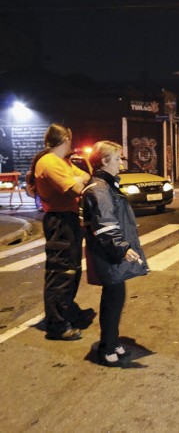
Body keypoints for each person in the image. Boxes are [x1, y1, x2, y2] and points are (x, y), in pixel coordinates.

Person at [81, 141, 149, 367]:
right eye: (118, 158)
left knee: (116, 297)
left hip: (111, 252)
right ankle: (106, 347)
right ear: (104, 161)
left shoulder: (106, 185)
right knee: (113, 298)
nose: (121, 162)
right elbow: (105, 224)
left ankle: (111, 340)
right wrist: (122, 247)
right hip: (108, 253)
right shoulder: (100, 188)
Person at [33, 124, 94, 341]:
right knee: (61, 273)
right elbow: (77, 188)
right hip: (59, 222)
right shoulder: (49, 163)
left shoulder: (63, 162)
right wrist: (77, 180)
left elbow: (87, 177)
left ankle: (68, 312)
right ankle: (57, 325)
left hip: (68, 220)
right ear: (66, 139)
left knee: (73, 270)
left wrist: (78, 179)